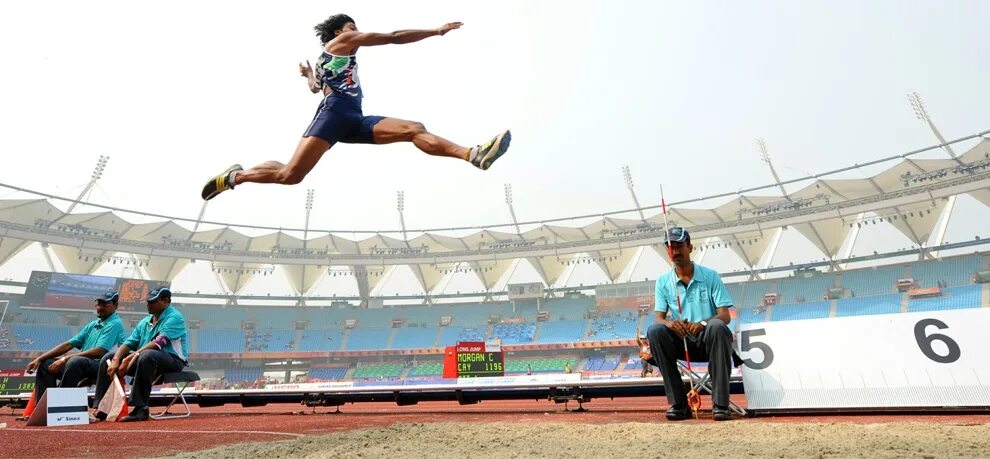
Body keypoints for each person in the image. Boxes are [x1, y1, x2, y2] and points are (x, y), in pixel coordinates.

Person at [201, 14, 511, 201]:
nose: (358, 33)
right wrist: (436, 31)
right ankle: (234, 177)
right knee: (290, 176)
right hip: (334, 113)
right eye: (352, 27)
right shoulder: (341, 42)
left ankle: (473, 155)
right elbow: (391, 38)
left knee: (413, 129)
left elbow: (315, 88)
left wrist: (309, 75)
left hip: (353, 117)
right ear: (339, 32)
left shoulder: (327, 61)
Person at [647, 227, 735, 421]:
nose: (675, 251)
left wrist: (702, 323)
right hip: (682, 342)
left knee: (717, 326)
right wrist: (671, 325)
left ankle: (721, 404)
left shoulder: (710, 276)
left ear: (690, 247)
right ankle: (679, 404)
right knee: (655, 331)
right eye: (670, 247)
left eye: (679, 246)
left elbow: (725, 315)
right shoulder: (663, 281)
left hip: (709, 341)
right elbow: (659, 318)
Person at [93, 287, 187, 422]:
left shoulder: (175, 318)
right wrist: (116, 359)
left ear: (166, 301)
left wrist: (130, 358)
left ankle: (141, 408)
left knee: (148, 354)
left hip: (173, 360)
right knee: (108, 357)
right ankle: (102, 408)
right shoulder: (145, 322)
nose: (149, 304)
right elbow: (128, 343)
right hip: (145, 358)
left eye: (153, 301)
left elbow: (158, 343)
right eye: (148, 301)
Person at [25, 291, 126, 401]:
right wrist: (39, 359)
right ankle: (44, 405)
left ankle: (60, 403)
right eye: (98, 304)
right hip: (85, 364)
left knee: (75, 361)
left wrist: (66, 358)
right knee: (46, 364)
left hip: (104, 366)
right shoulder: (93, 324)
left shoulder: (115, 324)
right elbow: (68, 344)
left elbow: (99, 351)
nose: (100, 307)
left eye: (105, 304)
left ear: (115, 305)